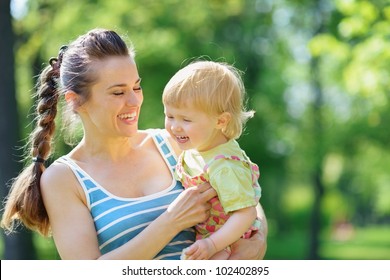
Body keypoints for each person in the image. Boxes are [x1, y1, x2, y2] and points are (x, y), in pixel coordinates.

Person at [1, 28, 267, 260]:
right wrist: (171, 222)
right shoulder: (64, 179)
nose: (134, 101)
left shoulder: (174, 143)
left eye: (136, 87)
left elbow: (242, 193)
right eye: (118, 92)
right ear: (75, 100)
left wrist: (258, 240)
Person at [162, 61, 262, 260]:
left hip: (228, 241)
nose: (175, 127)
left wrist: (212, 244)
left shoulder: (225, 166)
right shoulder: (197, 147)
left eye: (186, 119)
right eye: (169, 115)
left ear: (220, 121)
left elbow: (246, 213)